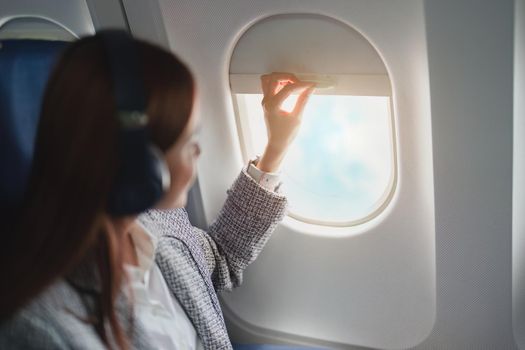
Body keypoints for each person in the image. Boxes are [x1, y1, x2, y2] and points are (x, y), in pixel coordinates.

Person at [0, 30, 314, 349]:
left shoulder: (154, 225)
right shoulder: (40, 329)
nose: (199, 152)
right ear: (140, 164)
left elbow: (218, 257)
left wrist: (275, 149)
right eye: (189, 140)